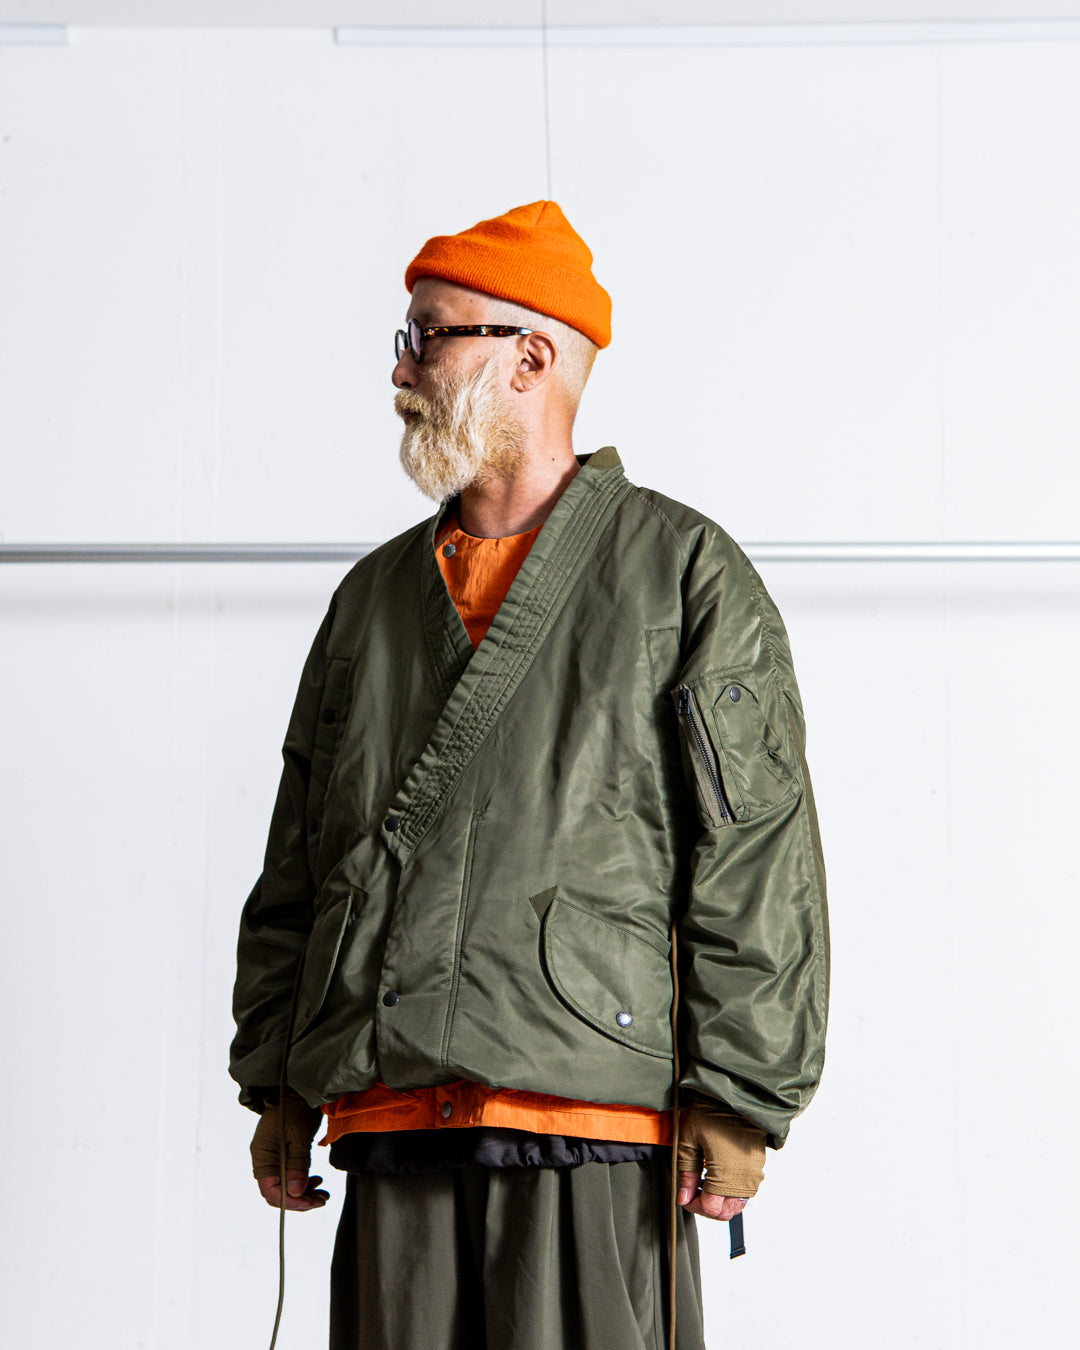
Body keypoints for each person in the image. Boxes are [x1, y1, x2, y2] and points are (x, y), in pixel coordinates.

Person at [230, 200, 829, 1350]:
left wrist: (739, 1093)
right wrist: (278, 1081)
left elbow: (756, 854)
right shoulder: (372, 599)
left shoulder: (682, 573)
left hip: (591, 1119)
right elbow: (300, 858)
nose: (401, 370)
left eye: (429, 337)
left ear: (531, 358)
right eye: (405, 338)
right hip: (390, 1113)